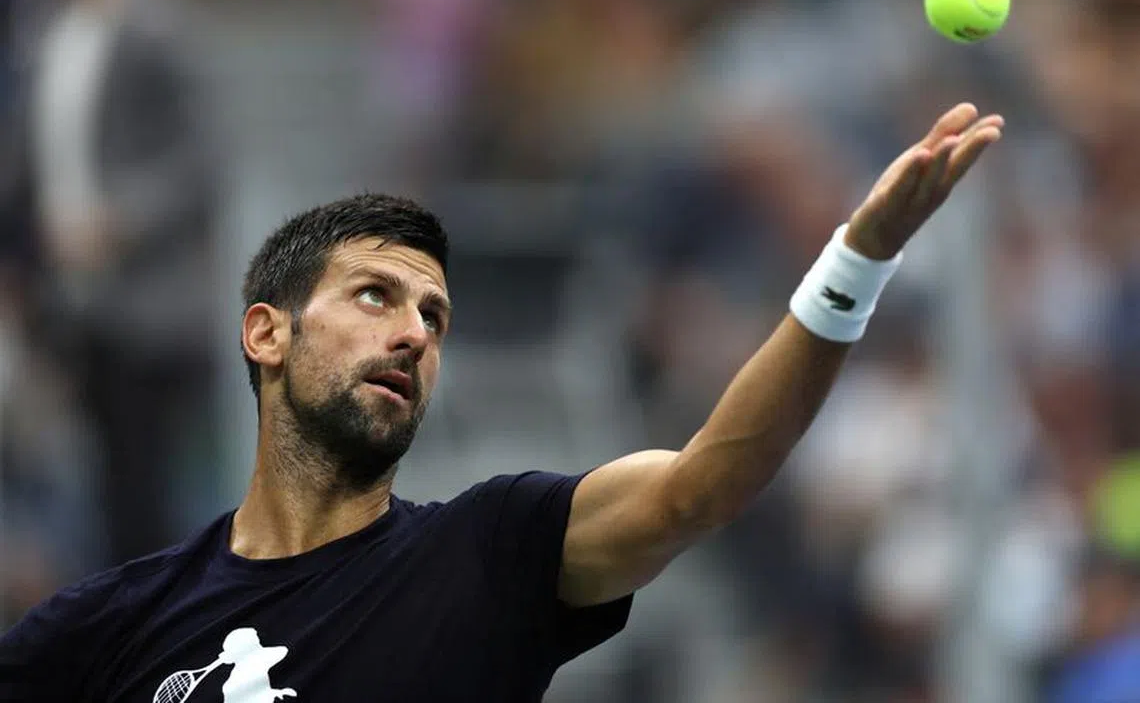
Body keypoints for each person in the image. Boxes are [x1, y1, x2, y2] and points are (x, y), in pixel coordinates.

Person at [0, 103, 1001, 701]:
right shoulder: (112, 623)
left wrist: (856, 261)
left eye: (433, 316)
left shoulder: (489, 551)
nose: (414, 333)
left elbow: (703, 484)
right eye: (374, 297)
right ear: (267, 333)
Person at [8, 0, 222, 564]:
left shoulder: (162, 21)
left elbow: (200, 162)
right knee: (92, 503)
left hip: (154, 313)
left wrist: (118, 223)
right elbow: (28, 159)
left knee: (158, 504)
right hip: (68, 308)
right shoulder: (45, 23)